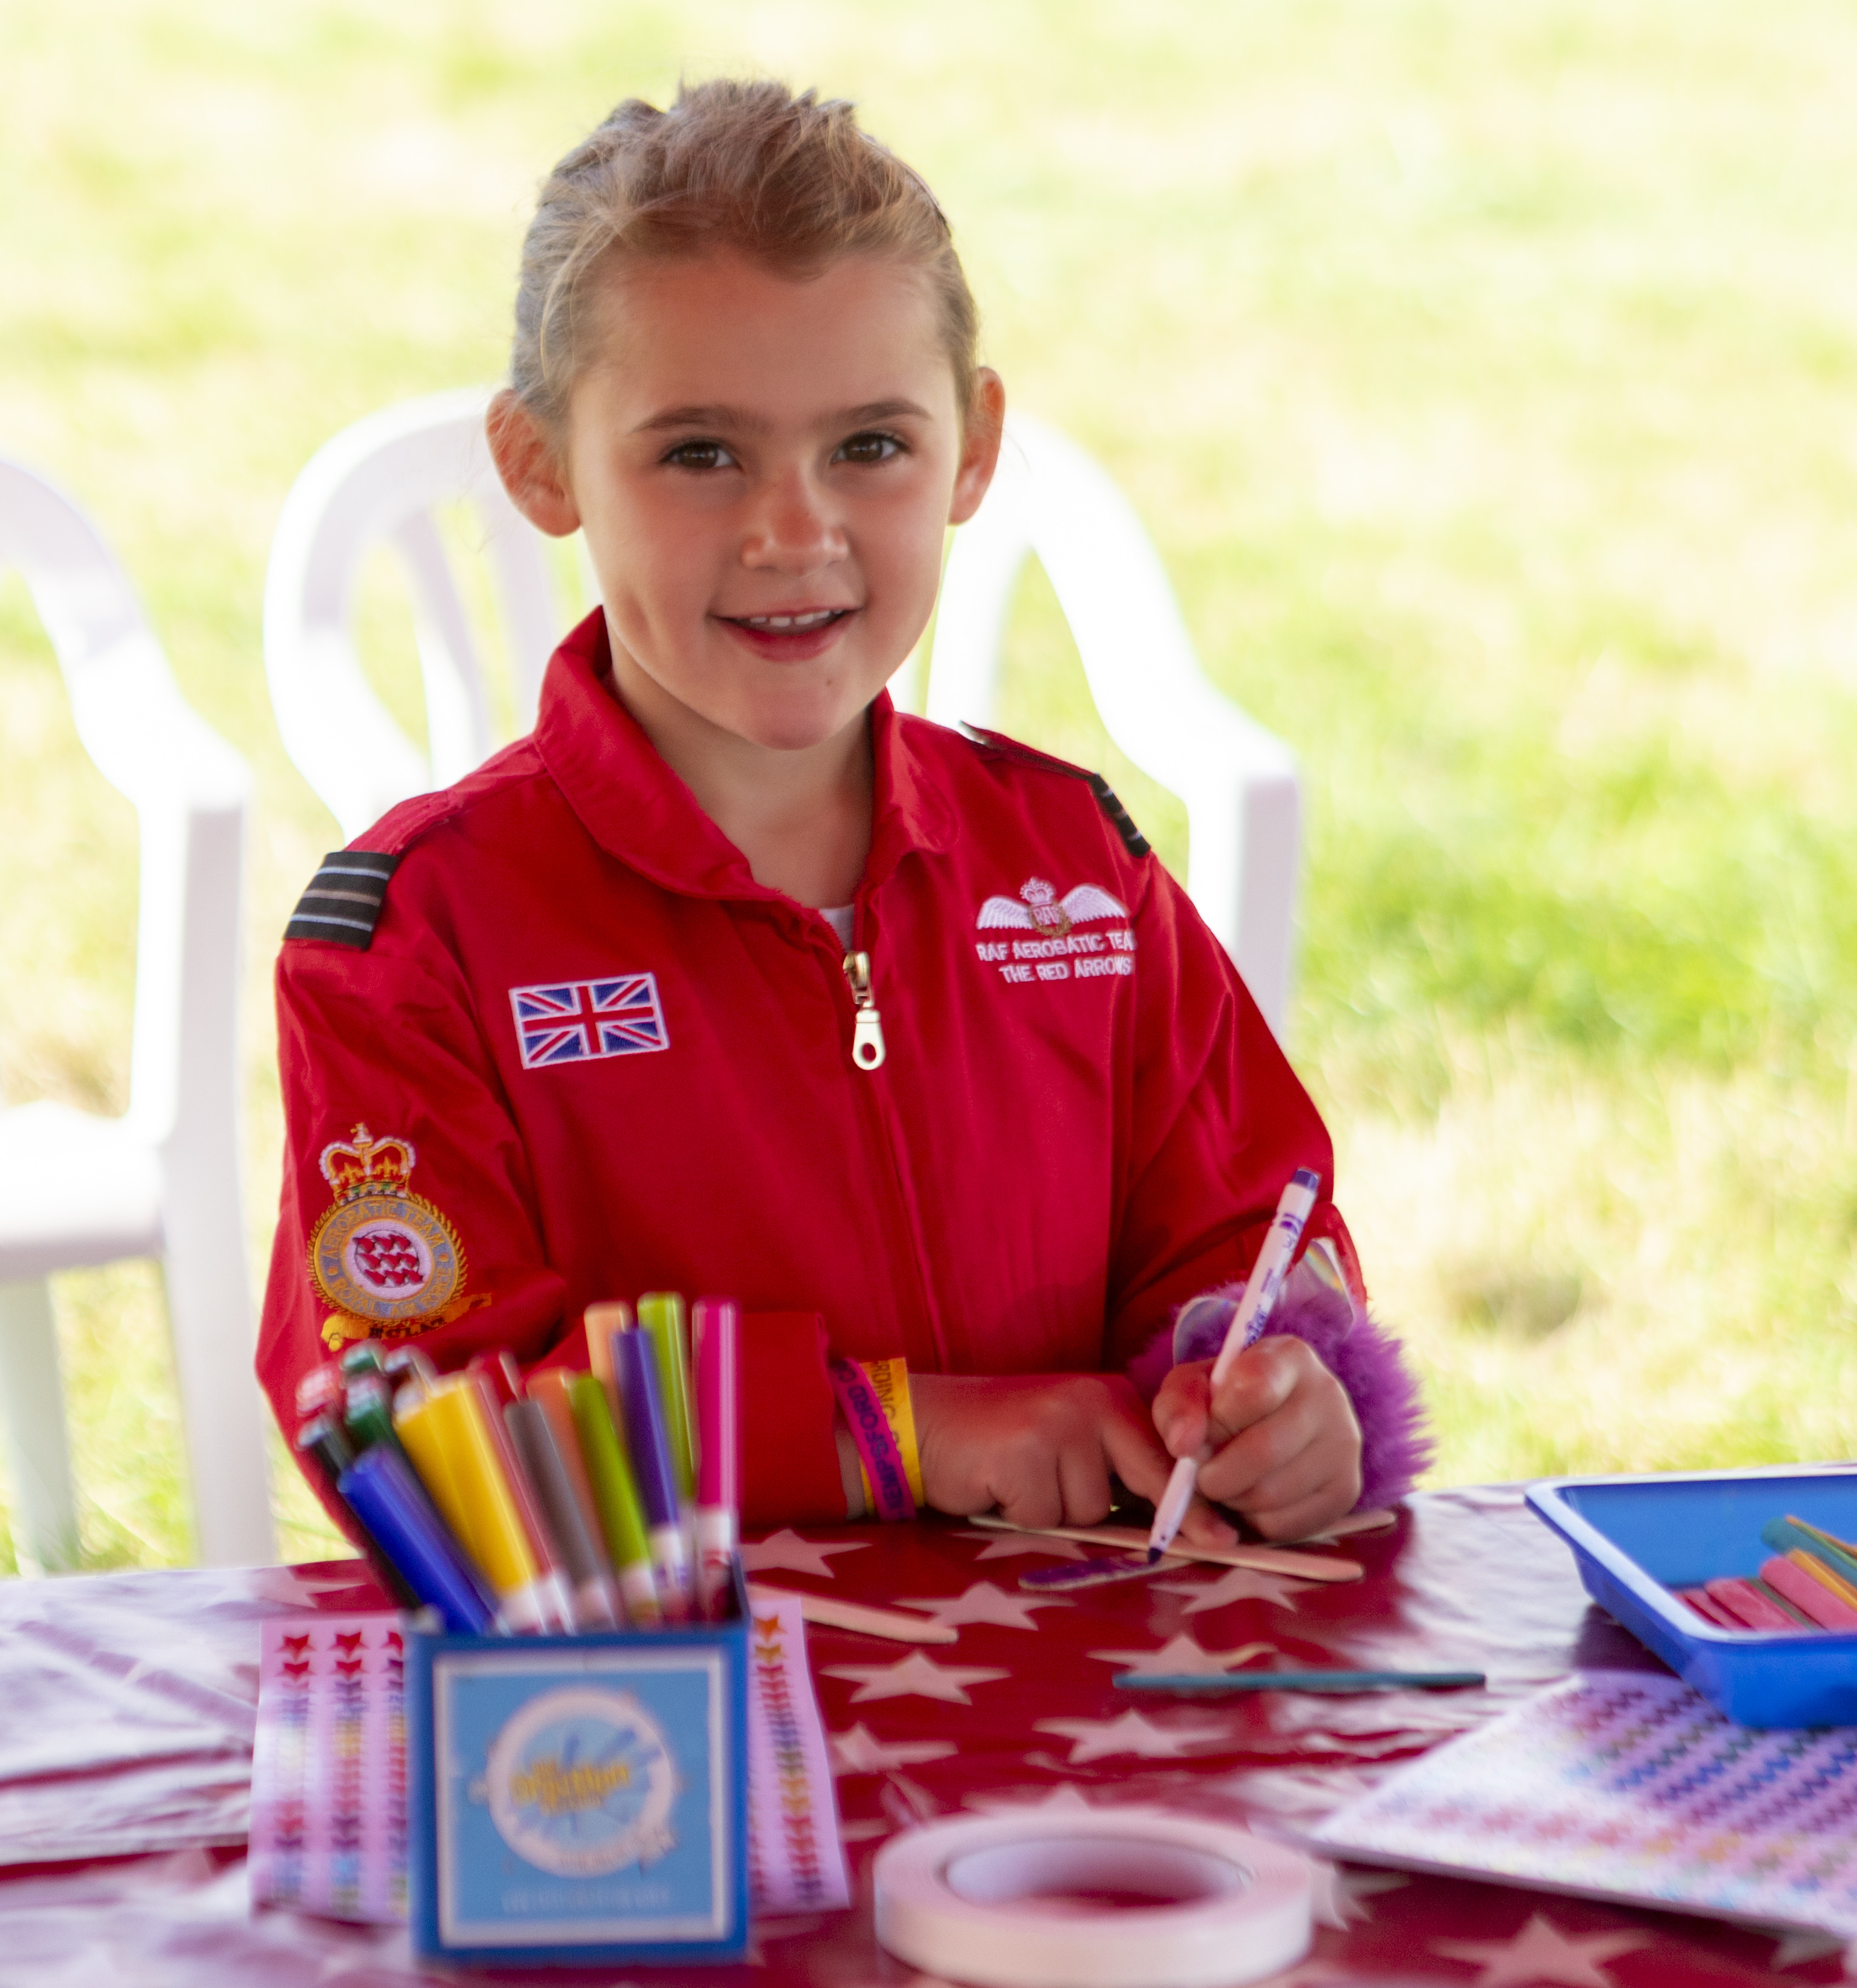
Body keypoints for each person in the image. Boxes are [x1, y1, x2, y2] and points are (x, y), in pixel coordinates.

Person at [259, 80, 1427, 1538]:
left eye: (869, 445)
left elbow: (1251, 1240)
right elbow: (416, 1431)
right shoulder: (413, 941)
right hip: (656, 1738)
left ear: (974, 446)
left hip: (1077, 1720)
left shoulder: (1075, 870)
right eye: (701, 451)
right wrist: (894, 1431)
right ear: (540, 463)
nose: (793, 529)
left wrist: (1281, 1401)